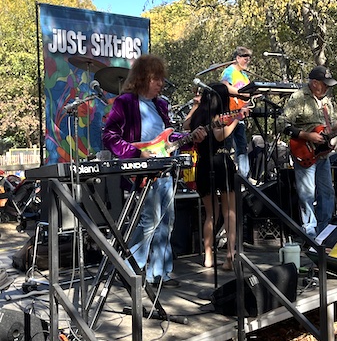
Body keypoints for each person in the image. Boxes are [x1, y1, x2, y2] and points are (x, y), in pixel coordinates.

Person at [102, 54, 206, 288]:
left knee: (166, 221)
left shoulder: (161, 104)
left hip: (164, 169)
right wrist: (136, 154)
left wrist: (191, 137)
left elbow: (168, 138)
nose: (160, 83)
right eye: (156, 79)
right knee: (149, 221)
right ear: (142, 78)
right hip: (142, 170)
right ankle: (131, 270)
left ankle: (160, 273)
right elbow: (109, 135)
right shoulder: (126, 102)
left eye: (161, 79)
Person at [280, 65, 337, 239]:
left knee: (327, 193)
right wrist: (307, 135)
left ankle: (324, 232)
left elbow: (332, 125)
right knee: (307, 194)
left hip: (322, 154)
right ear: (314, 83)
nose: (327, 88)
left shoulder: (326, 102)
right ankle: (310, 234)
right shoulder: (298, 98)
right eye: (324, 84)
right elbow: (282, 123)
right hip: (304, 152)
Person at [187, 83, 250, 270]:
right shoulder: (218, 115)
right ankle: (230, 255)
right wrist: (237, 119)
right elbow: (220, 135)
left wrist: (194, 105)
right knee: (229, 212)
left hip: (203, 164)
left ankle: (208, 255)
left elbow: (185, 125)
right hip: (221, 162)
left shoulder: (198, 114)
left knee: (210, 213)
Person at [220, 46, 253, 178]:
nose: (247, 61)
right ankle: (225, 175)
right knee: (226, 145)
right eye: (245, 58)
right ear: (237, 58)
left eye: (249, 58)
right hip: (229, 114)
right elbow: (224, 86)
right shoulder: (230, 71)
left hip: (240, 116)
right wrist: (241, 93)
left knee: (242, 145)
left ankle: (244, 176)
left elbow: (250, 94)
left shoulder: (244, 76)